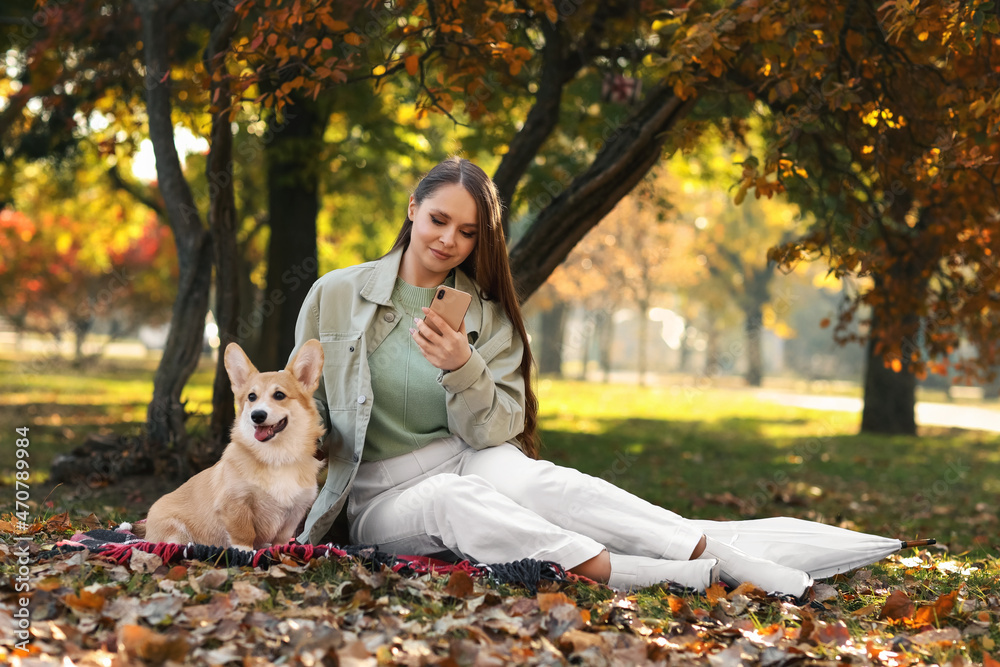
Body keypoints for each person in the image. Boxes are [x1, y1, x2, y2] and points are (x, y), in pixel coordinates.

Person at [289, 157, 813, 596]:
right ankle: (646, 575)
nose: (449, 240)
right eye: (438, 220)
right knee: (450, 501)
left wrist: (461, 367)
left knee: (541, 480)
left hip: (464, 458)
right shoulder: (334, 294)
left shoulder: (489, 317)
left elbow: (492, 434)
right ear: (413, 209)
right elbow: (305, 406)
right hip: (379, 496)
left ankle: (721, 556)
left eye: (468, 232)